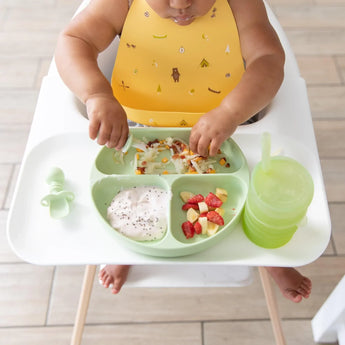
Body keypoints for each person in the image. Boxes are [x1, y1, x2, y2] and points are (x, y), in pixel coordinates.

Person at [55, 0, 312, 303]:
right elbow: (74, 40)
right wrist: (96, 94)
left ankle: (267, 257)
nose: (180, 4)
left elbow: (268, 59)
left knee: (249, 188)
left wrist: (230, 111)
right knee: (134, 186)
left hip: (229, 126)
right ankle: (133, 242)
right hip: (141, 125)